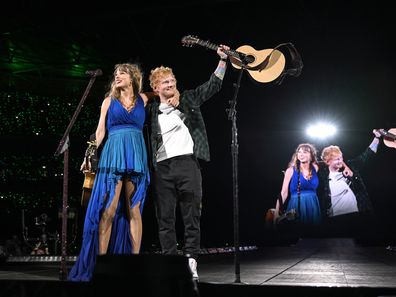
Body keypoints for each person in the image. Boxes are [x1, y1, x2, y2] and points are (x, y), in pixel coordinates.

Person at [146, 45, 229, 280]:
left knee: (191, 215)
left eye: (172, 81)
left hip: (188, 164)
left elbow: (212, 86)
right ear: (156, 88)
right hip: (162, 167)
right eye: (165, 83)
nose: (170, 85)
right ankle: (171, 264)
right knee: (165, 218)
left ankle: (191, 260)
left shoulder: (189, 99)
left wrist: (222, 61)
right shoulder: (151, 110)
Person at [68, 63, 152, 281]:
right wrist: (89, 154)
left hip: (135, 154)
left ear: (133, 77)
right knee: (109, 210)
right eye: (115, 74)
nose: (117, 77)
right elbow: (100, 131)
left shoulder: (143, 99)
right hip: (114, 153)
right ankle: (101, 265)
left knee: (134, 210)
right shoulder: (108, 101)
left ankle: (134, 264)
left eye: (121, 73)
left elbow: (165, 90)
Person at [318, 129, 382, 235]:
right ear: (327, 161)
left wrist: (377, 138)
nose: (340, 161)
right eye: (336, 159)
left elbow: (367, 154)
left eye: (341, 158)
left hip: (357, 214)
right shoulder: (322, 176)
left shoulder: (351, 166)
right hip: (335, 217)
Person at [274, 143, 321, 226]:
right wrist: (276, 213)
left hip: (313, 205)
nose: (301, 155)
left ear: (311, 155)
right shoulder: (291, 170)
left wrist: (346, 167)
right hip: (296, 205)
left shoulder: (315, 167)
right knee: (297, 232)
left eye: (305, 152)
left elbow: (330, 160)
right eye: (299, 152)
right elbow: (283, 193)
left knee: (313, 236)